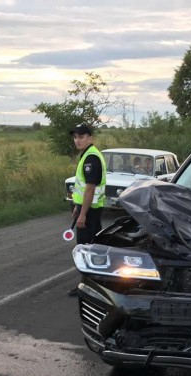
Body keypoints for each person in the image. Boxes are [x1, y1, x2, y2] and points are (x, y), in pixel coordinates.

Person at [67, 123, 107, 295]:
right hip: (90, 208)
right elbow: (83, 188)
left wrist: (83, 214)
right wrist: (78, 207)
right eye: (75, 137)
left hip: (90, 211)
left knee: (84, 250)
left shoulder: (91, 158)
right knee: (94, 246)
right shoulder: (87, 154)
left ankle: (86, 286)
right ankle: (96, 283)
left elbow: (90, 188)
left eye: (82, 137)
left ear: (90, 138)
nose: (77, 140)